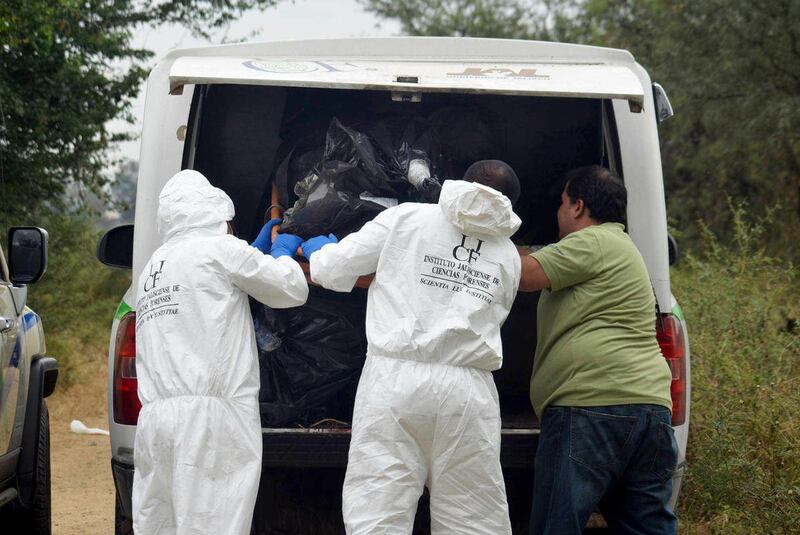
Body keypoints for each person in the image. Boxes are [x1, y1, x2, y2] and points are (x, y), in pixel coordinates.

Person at [288, 160, 522, 534]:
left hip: (395, 381)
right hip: (469, 392)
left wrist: (318, 249)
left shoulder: (407, 218)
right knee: (474, 516)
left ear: (460, 185)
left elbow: (334, 271)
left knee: (380, 508)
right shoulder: (508, 253)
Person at [132, 169, 309, 535]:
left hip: (155, 424)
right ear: (214, 215)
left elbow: (209, 293)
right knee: (212, 523)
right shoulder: (221, 250)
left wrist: (248, 254)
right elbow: (289, 290)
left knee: (159, 525)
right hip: (210, 422)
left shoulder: (155, 266)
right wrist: (281, 253)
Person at [517, 165, 677, 534]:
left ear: (577, 207)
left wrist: (472, 245)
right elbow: (539, 256)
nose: (559, 211)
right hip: (648, 409)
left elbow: (523, 275)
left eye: (562, 203)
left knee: (557, 524)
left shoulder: (592, 242)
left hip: (591, 410)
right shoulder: (618, 246)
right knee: (646, 525)